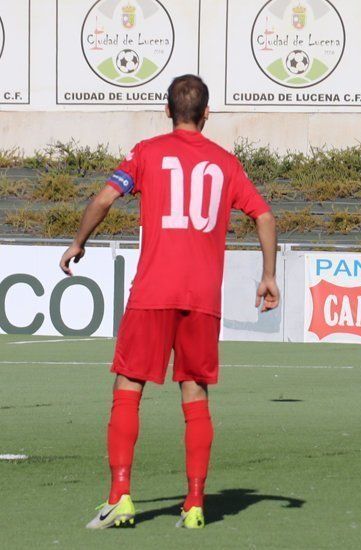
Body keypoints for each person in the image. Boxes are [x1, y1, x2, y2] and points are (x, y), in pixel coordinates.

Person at [60, 74, 280, 529]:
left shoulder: (146, 152)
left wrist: (79, 241)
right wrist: (269, 275)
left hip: (153, 291)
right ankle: (195, 504)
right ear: (206, 114)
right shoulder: (226, 163)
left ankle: (120, 496)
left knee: (127, 388)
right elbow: (264, 214)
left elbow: (104, 199)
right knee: (195, 394)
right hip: (201, 297)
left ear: (166, 111)